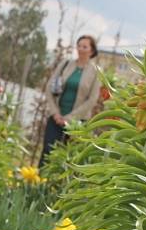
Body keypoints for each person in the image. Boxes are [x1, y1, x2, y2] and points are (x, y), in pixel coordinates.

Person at [38, 35, 101, 167]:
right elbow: (50, 88)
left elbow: (92, 99)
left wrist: (69, 118)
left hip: (77, 123)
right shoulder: (65, 64)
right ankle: (39, 183)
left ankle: (58, 187)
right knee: (48, 152)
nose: (80, 49)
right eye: (79, 45)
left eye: (85, 46)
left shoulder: (96, 72)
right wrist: (55, 113)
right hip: (56, 117)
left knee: (68, 158)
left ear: (92, 50)